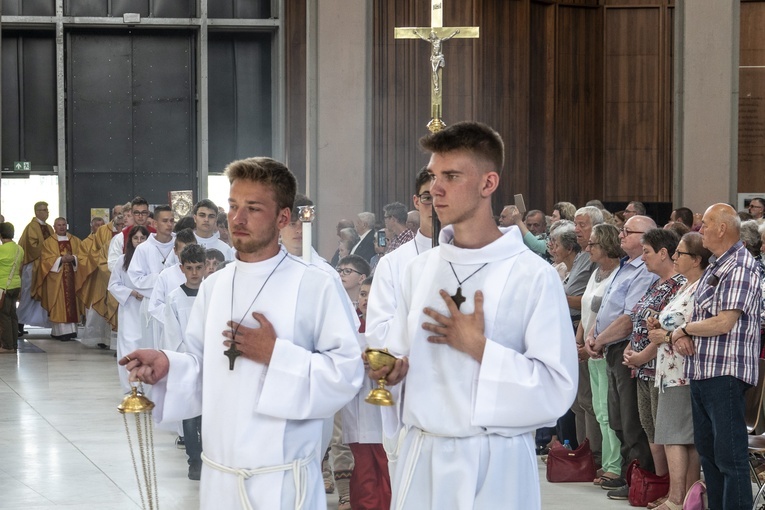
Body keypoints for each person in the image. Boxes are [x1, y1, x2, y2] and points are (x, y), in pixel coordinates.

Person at [120, 157, 363, 509]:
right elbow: (205, 367)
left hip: (282, 482)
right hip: (220, 478)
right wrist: (168, 365)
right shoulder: (214, 286)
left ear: (283, 217)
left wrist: (275, 354)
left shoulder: (316, 283)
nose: (237, 219)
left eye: (253, 208)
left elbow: (346, 373)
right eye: (233, 207)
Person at [367, 121, 577, 509]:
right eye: (432, 177)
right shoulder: (419, 269)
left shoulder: (533, 275)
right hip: (422, 456)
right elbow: (399, 358)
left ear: (488, 183)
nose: (435, 189)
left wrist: (480, 348)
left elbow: (557, 388)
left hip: (494, 465)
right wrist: (394, 372)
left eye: (451, 176)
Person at [671, 203, 761, 510]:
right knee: (709, 455)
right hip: (702, 371)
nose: (701, 230)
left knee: (729, 458)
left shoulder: (740, 267)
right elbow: (701, 315)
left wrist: (684, 329)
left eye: (706, 224)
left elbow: (724, 322)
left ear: (723, 228)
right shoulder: (718, 264)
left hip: (725, 374)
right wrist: (684, 333)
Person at [584, 215, 659, 500]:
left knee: (630, 419)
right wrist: (593, 334)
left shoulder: (645, 271)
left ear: (645, 237)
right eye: (622, 230)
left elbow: (629, 318)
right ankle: (631, 474)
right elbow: (606, 308)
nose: (621, 235)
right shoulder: (626, 266)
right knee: (615, 416)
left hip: (625, 347)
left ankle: (640, 476)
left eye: (628, 231)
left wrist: (599, 339)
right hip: (610, 346)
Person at [645, 232, 709, 510]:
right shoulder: (685, 285)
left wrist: (668, 335)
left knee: (674, 436)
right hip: (670, 371)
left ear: (696, 259)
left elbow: (693, 325)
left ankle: (676, 497)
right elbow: (673, 321)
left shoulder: (701, 287)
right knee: (683, 437)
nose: (674, 257)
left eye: (680, 253)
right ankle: (687, 499)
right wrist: (657, 325)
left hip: (682, 370)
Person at [623, 229, 686, 492]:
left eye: (647, 252)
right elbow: (640, 321)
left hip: (662, 368)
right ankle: (660, 484)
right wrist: (630, 348)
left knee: (665, 432)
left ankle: (674, 488)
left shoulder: (678, 285)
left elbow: (665, 330)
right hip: (643, 369)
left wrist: (640, 356)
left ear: (663, 253)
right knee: (650, 429)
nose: (643, 257)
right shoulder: (655, 282)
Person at [578, 224, 624, 487]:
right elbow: (588, 310)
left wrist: (593, 344)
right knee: (597, 409)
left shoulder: (617, 273)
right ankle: (607, 463)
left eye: (592, 244)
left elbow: (612, 316)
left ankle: (614, 466)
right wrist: (578, 341)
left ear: (605, 245)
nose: (587, 248)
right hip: (589, 350)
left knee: (608, 412)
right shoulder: (597, 272)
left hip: (604, 350)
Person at [342, 276, 391, 510]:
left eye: (372, 295)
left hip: (383, 410)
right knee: (362, 470)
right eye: (363, 294)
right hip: (357, 404)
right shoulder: (349, 327)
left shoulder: (389, 327)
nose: (366, 300)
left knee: (386, 468)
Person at [162, 243, 207, 480]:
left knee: (210, 414)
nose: (194, 273)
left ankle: (211, 458)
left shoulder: (213, 294)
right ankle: (194, 461)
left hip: (212, 363)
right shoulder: (174, 298)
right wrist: (184, 359)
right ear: (181, 268)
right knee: (190, 415)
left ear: (206, 267)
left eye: (199, 267)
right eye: (189, 268)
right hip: (187, 362)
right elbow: (171, 333)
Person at [127, 205, 177, 347]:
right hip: (151, 304)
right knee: (152, 345)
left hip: (175, 302)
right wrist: (160, 278)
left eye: (172, 221)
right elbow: (135, 279)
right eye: (165, 221)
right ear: (154, 223)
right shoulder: (144, 248)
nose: (169, 224)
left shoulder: (179, 244)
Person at [108, 225, 150, 392]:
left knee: (146, 344)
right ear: (130, 241)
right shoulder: (122, 260)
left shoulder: (151, 261)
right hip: (129, 309)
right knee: (129, 345)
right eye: (136, 238)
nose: (139, 242)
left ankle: (146, 384)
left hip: (147, 309)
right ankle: (131, 386)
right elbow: (113, 285)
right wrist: (131, 292)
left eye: (142, 238)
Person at [148, 228, 197, 344]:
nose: (187, 256)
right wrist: (174, 320)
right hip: (171, 334)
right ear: (175, 251)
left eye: (191, 250)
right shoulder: (166, 275)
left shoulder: (203, 274)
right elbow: (155, 305)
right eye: (183, 251)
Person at [37, 218, 83, 341]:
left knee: (71, 303)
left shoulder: (75, 240)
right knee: (59, 303)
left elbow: (83, 257)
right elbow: (45, 260)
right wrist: (60, 260)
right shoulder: (48, 242)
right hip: (57, 279)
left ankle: (72, 331)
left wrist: (73, 258)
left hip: (72, 278)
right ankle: (59, 332)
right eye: (59, 225)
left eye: (63, 225)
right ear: (54, 227)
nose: (62, 227)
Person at [17, 201, 54, 332]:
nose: (46, 212)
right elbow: (32, 246)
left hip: (46, 266)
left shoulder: (49, 227)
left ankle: (46, 322)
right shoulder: (32, 227)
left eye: (47, 210)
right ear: (37, 212)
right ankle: (19, 324)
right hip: (33, 266)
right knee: (28, 293)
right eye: (43, 210)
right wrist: (49, 250)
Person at [107, 197, 155, 272]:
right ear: (132, 213)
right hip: (128, 279)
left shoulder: (156, 234)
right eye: (136, 212)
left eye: (144, 212)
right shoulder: (121, 236)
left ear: (148, 213)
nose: (140, 216)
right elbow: (113, 262)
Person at [0, 223, 24, 353]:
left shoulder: (2, 250)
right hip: (15, 285)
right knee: (13, 315)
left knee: (4, 316)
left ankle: (7, 346)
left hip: (3, 286)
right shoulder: (20, 249)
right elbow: (20, 267)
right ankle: (14, 344)